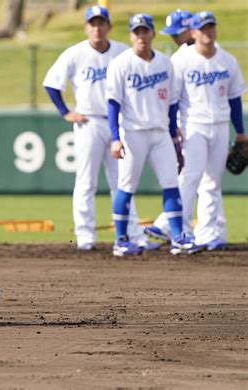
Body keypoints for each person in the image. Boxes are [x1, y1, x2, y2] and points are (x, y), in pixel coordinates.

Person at [42, 5, 159, 252]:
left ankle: (132, 234)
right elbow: (52, 84)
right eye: (92, 23)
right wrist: (65, 112)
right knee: (86, 181)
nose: (97, 27)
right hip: (89, 121)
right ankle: (85, 236)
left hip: (118, 123)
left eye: (101, 23)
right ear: (86, 27)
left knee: (123, 181)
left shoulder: (121, 52)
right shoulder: (75, 54)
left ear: (108, 26)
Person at [106, 13, 204, 256]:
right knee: (126, 185)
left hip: (160, 133)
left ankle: (178, 237)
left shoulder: (164, 63)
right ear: (131, 36)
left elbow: (172, 104)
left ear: (153, 33)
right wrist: (115, 137)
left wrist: (173, 135)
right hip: (133, 132)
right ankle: (121, 240)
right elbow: (112, 105)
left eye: (145, 31)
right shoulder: (121, 64)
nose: (141, 36)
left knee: (171, 183)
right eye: (136, 32)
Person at [145, 10, 228, 251]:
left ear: (188, 29)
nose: (173, 38)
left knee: (201, 178)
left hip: (202, 125)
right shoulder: (183, 56)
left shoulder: (213, 55)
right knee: (200, 179)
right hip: (189, 125)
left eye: (176, 33)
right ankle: (202, 231)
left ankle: (176, 225)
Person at [170, 11, 246, 249]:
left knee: (213, 181)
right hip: (193, 124)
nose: (208, 31)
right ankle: (179, 231)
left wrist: (241, 132)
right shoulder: (181, 60)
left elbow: (235, 100)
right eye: (202, 28)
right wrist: (174, 128)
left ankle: (209, 234)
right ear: (193, 32)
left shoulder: (227, 60)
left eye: (211, 26)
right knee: (191, 176)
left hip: (221, 125)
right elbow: (172, 100)